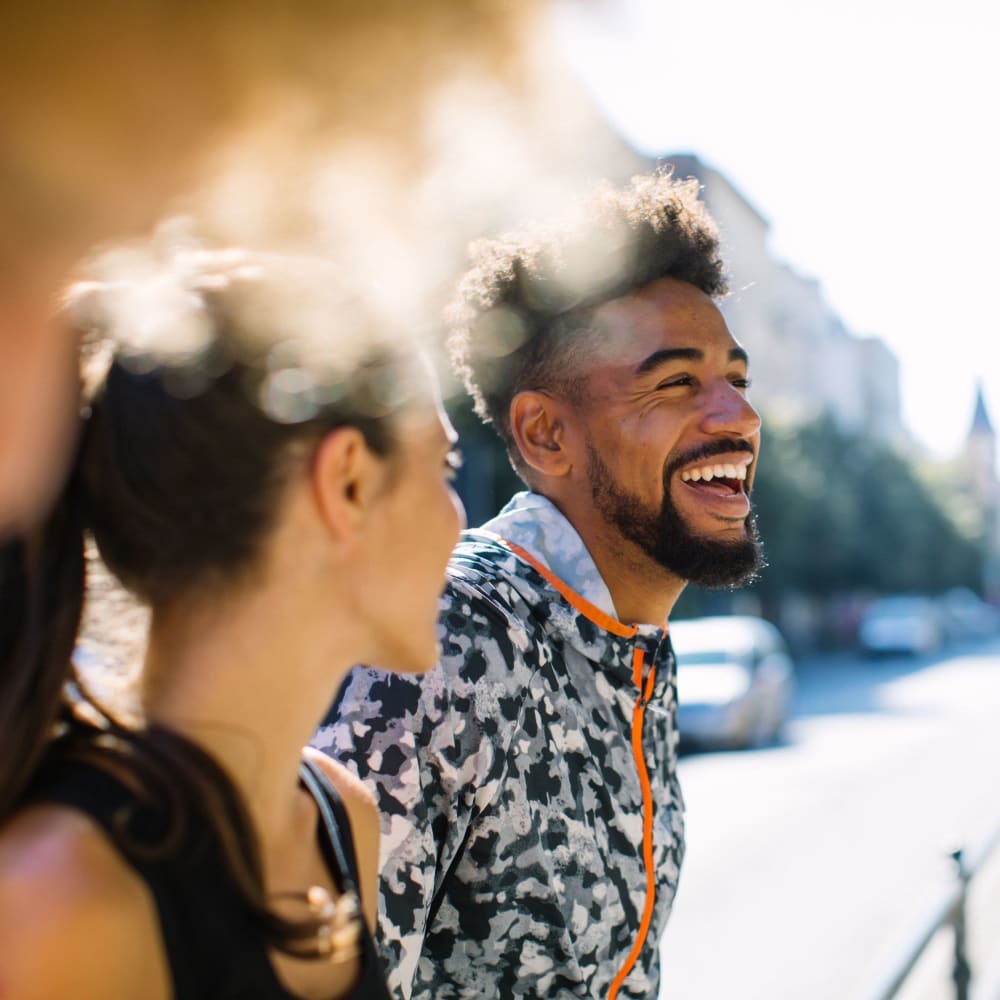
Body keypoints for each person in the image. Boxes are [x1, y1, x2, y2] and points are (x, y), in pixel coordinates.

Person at [316, 171, 765, 999]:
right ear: (545, 433)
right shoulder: (444, 639)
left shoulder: (636, 648)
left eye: (735, 377)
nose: (736, 414)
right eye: (675, 383)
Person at [0, 245, 464, 998]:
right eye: (442, 470)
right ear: (346, 480)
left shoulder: (343, 820)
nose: (459, 519)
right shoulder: (63, 901)